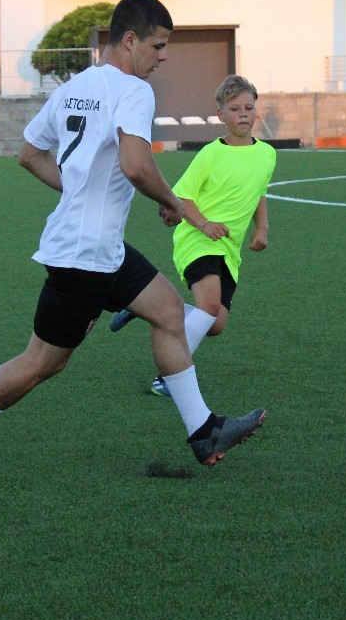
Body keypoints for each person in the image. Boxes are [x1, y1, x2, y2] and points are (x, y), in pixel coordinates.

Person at [0, 0, 266, 484]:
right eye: (158, 46)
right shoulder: (134, 90)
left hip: (100, 249)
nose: (164, 57)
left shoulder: (73, 87)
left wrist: (78, 190)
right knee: (41, 363)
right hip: (86, 257)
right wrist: (174, 203)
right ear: (130, 40)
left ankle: (204, 431)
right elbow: (136, 165)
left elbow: (30, 154)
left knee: (169, 313)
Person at [110, 74, 276, 397]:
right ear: (221, 115)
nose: (243, 114)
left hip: (229, 249)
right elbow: (182, 197)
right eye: (234, 109)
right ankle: (169, 377)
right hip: (197, 238)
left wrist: (263, 227)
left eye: (248, 108)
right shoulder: (211, 154)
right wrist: (204, 225)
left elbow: (259, 191)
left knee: (215, 324)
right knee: (209, 305)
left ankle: (147, 306)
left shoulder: (267, 154)